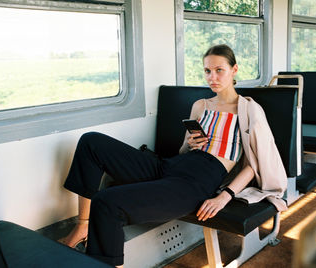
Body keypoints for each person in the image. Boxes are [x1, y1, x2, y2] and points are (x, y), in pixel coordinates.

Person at [59, 44, 287, 267]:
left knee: (106, 201)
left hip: (197, 181)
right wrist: (190, 143)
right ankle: (82, 226)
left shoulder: (248, 109)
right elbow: (182, 151)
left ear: (234, 70)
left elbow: (255, 164)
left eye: (219, 70)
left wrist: (225, 196)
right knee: (91, 141)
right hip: (170, 165)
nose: (212, 77)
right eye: (207, 71)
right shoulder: (201, 105)